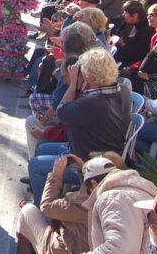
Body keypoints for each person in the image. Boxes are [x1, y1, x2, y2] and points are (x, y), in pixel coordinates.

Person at [27, 48, 132, 205]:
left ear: (88, 74)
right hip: (104, 151)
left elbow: (62, 112)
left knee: (35, 165)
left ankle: (44, 209)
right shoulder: (122, 90)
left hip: (88, 163)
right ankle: (51, 192)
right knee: (42, 147)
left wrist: (73, 83)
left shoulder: (94, 102)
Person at [54, 167, 157, 254]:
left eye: (86, 191)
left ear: (94, 184)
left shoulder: (113, 198)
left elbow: (122, 252)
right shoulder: (133, 190)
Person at [8, 154, 111, 254]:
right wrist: (84, 169)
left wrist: (56, 174)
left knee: (28, 211)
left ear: (94, 184)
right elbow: (91, 187)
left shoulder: (86, 205)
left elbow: (46, 206)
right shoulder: (115, 199)